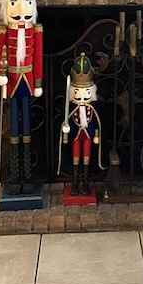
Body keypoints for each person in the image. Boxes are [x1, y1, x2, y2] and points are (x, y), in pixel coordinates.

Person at [0, 0, 43, 192]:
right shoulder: (4, 32)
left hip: (26, 81)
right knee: (14, 126)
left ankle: (28, 174)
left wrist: (38, 82)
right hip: (12, 80)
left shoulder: (36, 31)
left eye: (25, 2)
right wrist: (0, 75)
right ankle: (16, 175)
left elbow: (38, 57)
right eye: (15, 2)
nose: (21, 8)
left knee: (27, 129)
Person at [58, 53, 103, 197]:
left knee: (87, 159)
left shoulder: (92, 108)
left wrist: (96, 134)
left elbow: (96, 121)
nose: (81, 97)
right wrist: (65, 131)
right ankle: (74, 183)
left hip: (88, 136)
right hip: (76, 137)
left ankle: (85, 184)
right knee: (76, 159)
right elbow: (67, 119)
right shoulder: (72, 108)